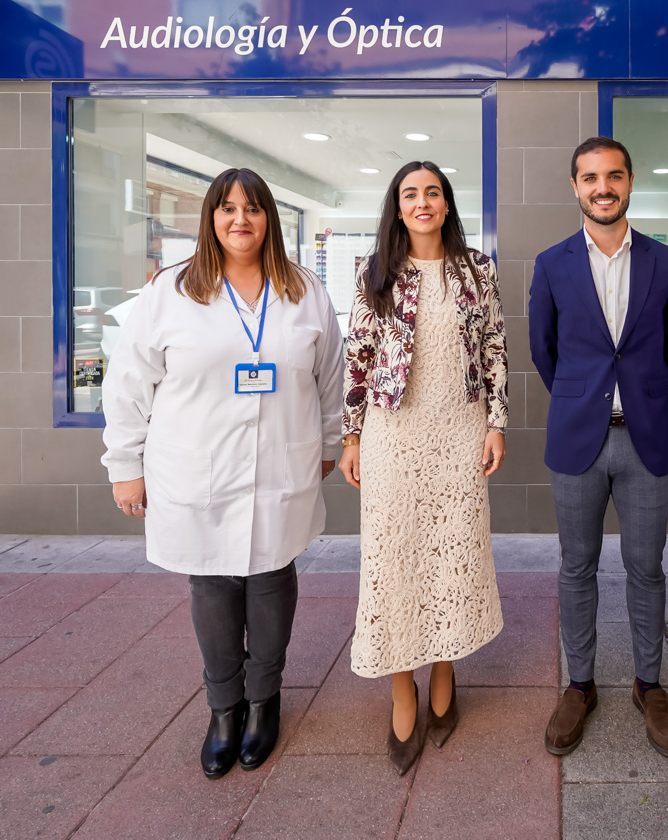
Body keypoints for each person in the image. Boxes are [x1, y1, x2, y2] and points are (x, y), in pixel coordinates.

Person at [101, 168, 343, 779]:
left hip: (281, 461)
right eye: (228, 209)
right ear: (210, 218)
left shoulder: (304, 290)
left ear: (271, 220)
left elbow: (331, 379)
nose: (241, 219)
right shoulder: (172, 292)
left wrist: (330, 445)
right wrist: (124, 465)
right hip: (194, 466)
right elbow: (128, 384)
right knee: (211, 583)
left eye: (254, 209)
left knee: (270, 577)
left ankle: (264, 702)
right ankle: (223, 707)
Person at [339, 160, 507, 776]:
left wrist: (497, 423)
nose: (423, 202)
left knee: (451, 548)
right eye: (410, 193)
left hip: (459, 429)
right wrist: (351, 435)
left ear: (446, 203)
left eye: (432, 192)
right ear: (397, 205)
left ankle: (445, 665)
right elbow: (356, 357)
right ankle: (401, 683)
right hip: (393, 433)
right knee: (394, 554)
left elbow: (494, 346)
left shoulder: (475, 271)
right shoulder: (375, 272)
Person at [529, 137, 668, 758]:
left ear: (630, 183)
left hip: (645, 438)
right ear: (575, 186)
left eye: (614, 176)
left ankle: (649, 685)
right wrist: (582, 398)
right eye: (590, 177)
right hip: (577, 441)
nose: (603, 186)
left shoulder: (666, 262)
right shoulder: (552, 263)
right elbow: (545, 351)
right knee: (577, 567)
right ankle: (580, 686)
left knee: (646, 569)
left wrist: (639, 393)